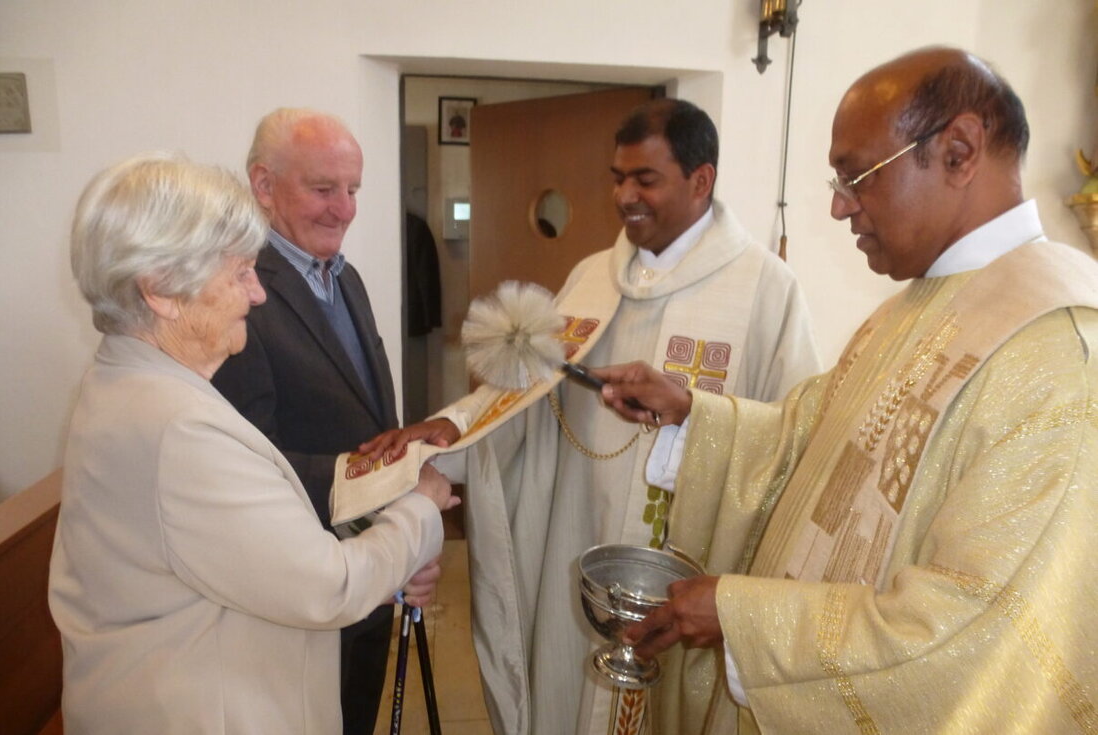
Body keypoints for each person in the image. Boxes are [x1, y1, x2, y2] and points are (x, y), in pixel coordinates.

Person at [595, 47, 1098, 734]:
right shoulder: (915, 305)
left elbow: (979, 631)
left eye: (857, 175)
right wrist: (691, 414)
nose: (838, 206)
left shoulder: (1056, 352)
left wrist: (745, 618)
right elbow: (817, 444)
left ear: (958, 152)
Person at [362, 99, 820, 735]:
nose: (625, 196)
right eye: (617, 177)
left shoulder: (764, 289)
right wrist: (454, 428)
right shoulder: (591, 279)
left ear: (701, 180)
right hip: (577, 535)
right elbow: (526, 394)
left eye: (646, 179)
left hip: (685, 554)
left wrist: (695, 414)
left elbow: (797, 437)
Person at [48, 153, 456, 734]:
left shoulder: (138, 381)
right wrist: (420, 507)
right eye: (240, 273)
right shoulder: (178, 427)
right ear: (162, 289)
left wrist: (391, 565)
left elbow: (243, 546)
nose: (258, 294)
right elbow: (329, 587)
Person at [211, 108, 402, 735]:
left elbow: (371, 417)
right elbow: (246, 467)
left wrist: (396, 518)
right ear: (264, 186)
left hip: (366, 576)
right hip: (303, 593)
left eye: (352, 190)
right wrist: (390, 496)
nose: (344, 209)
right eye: (324, 189)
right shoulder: (236, 294)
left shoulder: (347, 280)